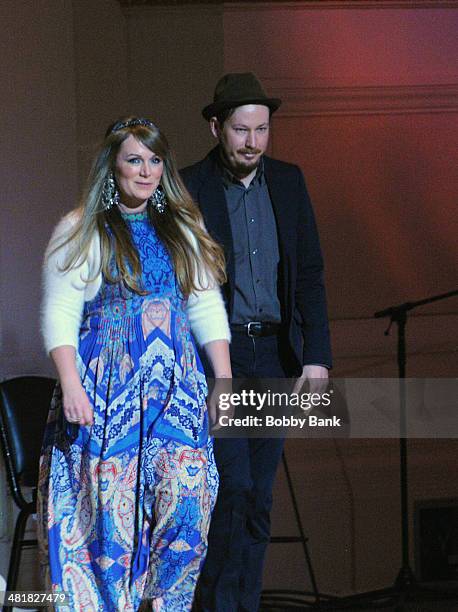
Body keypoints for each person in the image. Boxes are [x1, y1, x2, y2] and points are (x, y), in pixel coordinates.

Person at [37, 116, 232, 611]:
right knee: (107, 525)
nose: (146, 172)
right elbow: (59, 311)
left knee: (187, 512)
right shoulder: (81, 228)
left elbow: (205, 305)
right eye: (134, 160)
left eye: (154, 161)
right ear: (113, 166)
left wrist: (223, 380)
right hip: (107, 392)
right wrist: (70, 383)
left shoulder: (183, 229)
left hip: (177, 393)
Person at [181, 73, 332, 611]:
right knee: (229, 491)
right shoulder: (189, 186)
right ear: (217, 126)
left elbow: (309, 274)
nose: (252, 142)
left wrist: (316, 356)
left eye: (262, 130)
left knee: (258, 497)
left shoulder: (288, 182)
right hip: (215, 358)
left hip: (272, 354)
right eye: (241, 130)